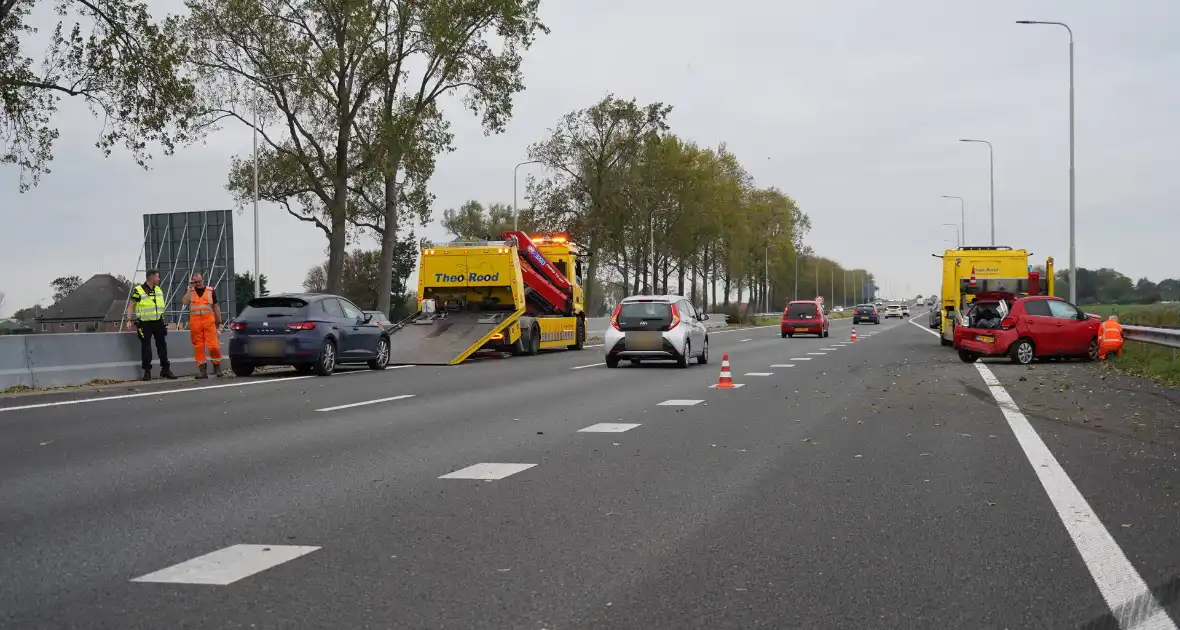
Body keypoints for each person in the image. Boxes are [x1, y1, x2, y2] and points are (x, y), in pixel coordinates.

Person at [125, 269, 176, 380]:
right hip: (145, 323)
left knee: (162, 346)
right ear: (152, 278)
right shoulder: (138, 290)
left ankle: (165, 370)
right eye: (157, 277)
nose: (159, 279)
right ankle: (147, 371)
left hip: (158, 322)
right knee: (146, 347)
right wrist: (129, 320)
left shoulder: (158, 289)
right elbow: (131, 305)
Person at [182, 272, 224, 379]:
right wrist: (189, 288)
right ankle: (202, 370)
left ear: (203, 280)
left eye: (199, 281)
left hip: (209, 323)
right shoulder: (190, 291)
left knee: (213, 346)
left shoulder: (210, 291)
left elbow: (216, 307)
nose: (198, 283)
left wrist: (220, 323)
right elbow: (184, 301)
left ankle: (217, 367)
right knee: (198, 347)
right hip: (196, 324)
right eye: (195, 282)